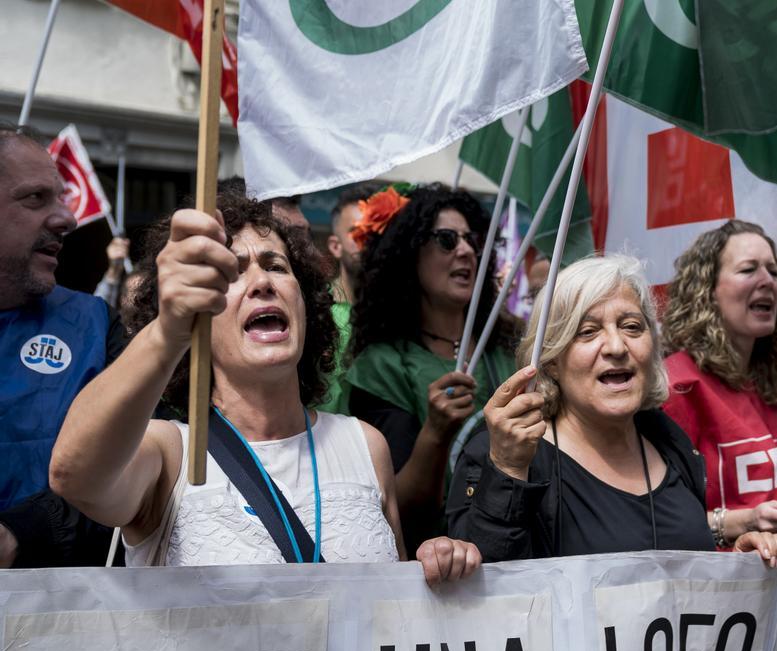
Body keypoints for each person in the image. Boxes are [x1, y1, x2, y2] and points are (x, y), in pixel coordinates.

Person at [49, 191, 480, 581]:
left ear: (307, 305)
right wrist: (167, 330)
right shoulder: (170, 453)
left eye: (276, 266)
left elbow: (392, 612)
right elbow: (74, 476)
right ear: (199, 317)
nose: (262, 282)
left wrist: (436, 564)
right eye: (232, 274)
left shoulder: (366, 445)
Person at [447, 255, 777, 566]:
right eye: (587, 332)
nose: (616, 346)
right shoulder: (507, 454)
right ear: (551, 361)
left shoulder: (668, 441)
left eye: (631, 327)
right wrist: (507, 470)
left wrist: (737, 557)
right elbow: (493, 595)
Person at [343, 183, 520, 556]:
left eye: (472, 239)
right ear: (410, 254)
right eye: (445, 239)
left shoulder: (510, 350)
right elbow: (397, 514)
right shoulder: (384, 366)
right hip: (442, 569)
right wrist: (435, 434)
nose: (467, 250)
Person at [661, 221, 777, 546]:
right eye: (748, 270)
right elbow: (656, 520)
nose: (768, 281)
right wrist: (743, 522)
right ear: (707, 291)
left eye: (773, 270)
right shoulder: (676, 388)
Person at [0, 124, 125, 567]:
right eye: (35, 198)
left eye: (60, 197)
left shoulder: (96, 326)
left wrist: (21, 534)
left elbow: (137, 474)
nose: (67, 219)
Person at [317, 184, 373, 414]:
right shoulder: (315, 309)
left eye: (375, 230)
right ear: (335, 246)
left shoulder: (397, 316)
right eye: (357, 231)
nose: (368, 239)